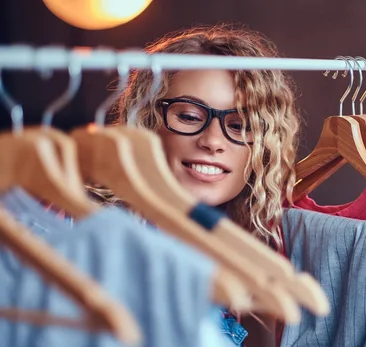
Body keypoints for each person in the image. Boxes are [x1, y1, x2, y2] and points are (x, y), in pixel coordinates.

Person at [90, 24, 301, 253]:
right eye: (189, 117)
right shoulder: (80, 227)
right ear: (147, 121)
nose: (212, 141)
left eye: (240, 125)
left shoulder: (281, 243)